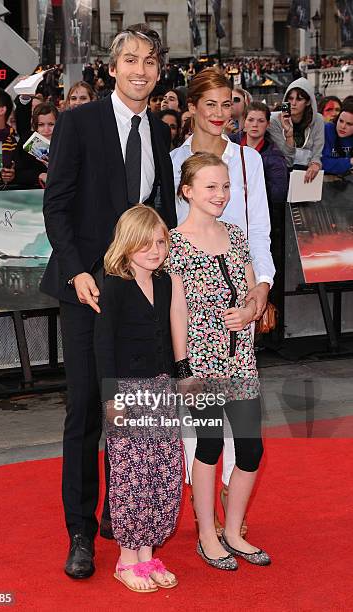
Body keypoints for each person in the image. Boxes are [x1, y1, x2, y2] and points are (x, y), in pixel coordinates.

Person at [41, 23, 177, 580]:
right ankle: (81, 530)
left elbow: (158, 213)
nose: (140, 70)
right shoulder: (78, 123)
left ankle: (123, 520)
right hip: (86, 291)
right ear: (113, 67)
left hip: (136, 295)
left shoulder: (162, 133)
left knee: (134, 411)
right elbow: (57, 206)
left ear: (158, 70)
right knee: (86, 411)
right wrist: (76, 271)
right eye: (131, 60)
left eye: (149, 61)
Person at [170, 67, 275, 534]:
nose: (219, 114)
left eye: (226, 103)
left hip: (241, 305)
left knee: (244, 427)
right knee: (202, 427)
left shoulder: (247, 161)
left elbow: (258, 235)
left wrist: (262, 291)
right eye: (208, 104)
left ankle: (231, 501)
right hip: (191, 313)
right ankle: (204, 514)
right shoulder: (170, 161)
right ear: (191, 107)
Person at [94, 205, 181, 593]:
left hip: (162, 389)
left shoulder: (164, 283)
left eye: (161, 242)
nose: (154, 250)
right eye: (145, 243)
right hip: (128, 393)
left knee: (162, 474)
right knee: (131, 477)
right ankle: (127, 558)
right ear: (127, 245)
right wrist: (112, 399)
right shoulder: (112, 285)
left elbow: (169, 334)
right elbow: (104, 346)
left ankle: (148, 554)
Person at [230, 101, 288, 212]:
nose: (255, 125)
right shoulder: (229, 143)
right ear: (244, 121)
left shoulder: (275, 156)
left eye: (261, 121)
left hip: (258, 212)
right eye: (251, 120)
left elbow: (278, 195)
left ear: (268, 124)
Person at [267, 77, 324, 183]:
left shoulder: (318, 120)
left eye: (299, 99)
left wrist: (316, 163)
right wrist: (289, 134)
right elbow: (286, 158)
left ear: (307, 102)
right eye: (290, 98)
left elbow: (317, 152)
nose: (293, 103)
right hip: (282, 173)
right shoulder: (274, 120)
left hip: (307, 175)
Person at [14, 103, 58, 188]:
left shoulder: (66, 143)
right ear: (35, 126)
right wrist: (40, 175)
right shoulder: (27, 142)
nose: (46, 130)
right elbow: (17, 173)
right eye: (41, 125)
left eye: (51, 124)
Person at [322, 100, 353, 175]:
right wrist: (350, 162)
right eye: (341, 121)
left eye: (349, 124)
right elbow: (323, 163)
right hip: (327, 181)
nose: (343, 126)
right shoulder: (327, 130)